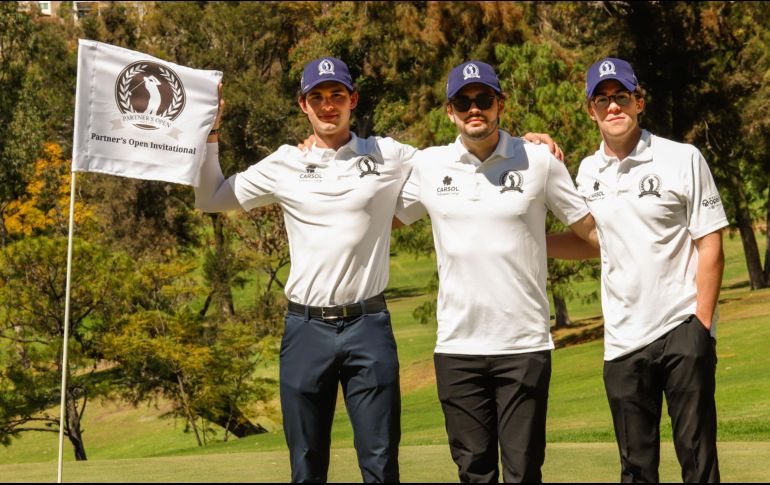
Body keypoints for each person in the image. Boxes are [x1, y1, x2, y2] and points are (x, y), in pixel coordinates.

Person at [195, 57, 559, 483]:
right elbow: (212, 198)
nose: (328, 105)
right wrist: (211, 135)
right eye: (317, 97)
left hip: (367, 324)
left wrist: (525, 146)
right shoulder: (284, 163)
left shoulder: (388, 154)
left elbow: (464, 150)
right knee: (306, 462)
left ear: (353, 99)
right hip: (305, 327)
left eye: (336, 95)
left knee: (381, 461)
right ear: (303, 105)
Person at [395, 60, 598, 483]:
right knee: (474, 472)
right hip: (457, 348)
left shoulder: (539, 161)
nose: (475, 109)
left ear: (499, 104)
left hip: (523, 345)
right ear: (449, 111)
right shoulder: (429, 166)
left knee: (523, 472)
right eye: (463, 102)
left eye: (483, 100)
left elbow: (593, 236)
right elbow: (378, 215)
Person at [549, 57, 727, 483]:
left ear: (638, 102)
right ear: (590, 110)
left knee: (698, 461)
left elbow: (711, 243)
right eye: (603, 99)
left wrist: (700, 325)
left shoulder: (682, 157)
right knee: (636, 468)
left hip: (682, 327)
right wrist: (532, 243)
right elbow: (592, 243)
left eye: (621, 97)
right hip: (623, 343)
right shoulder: (588, 172)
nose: (613, 107)